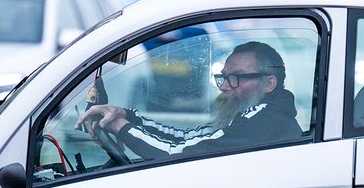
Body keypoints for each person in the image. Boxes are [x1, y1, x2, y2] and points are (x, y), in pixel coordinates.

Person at [75, 41, 302, 159]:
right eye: (223, 77)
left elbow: (175, 153)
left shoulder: (263, 123)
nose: (224, 86)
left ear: (269, 83)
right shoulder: (261, 114)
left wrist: (118, 126)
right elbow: (188, 138)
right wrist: (128, 115)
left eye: (236, 78)